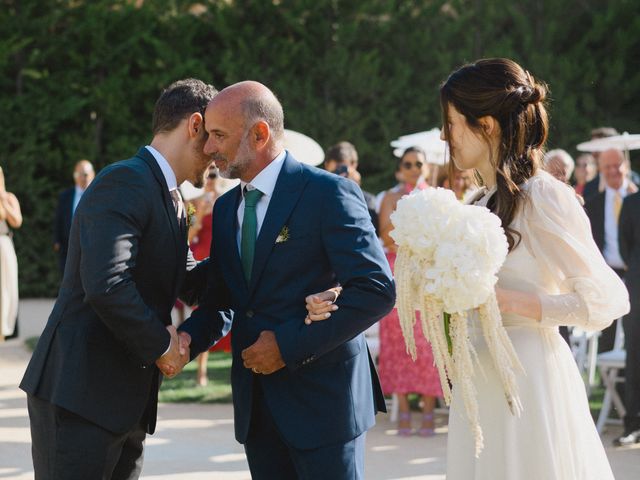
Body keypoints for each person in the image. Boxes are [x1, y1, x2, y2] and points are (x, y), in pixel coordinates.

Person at [177, 81, 395, 480]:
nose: (208, 147)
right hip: (258, 411)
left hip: (325, 407)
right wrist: (184, 342)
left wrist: (287, 345)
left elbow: (376, 290)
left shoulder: (330, 193)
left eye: (219, 135)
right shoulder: (226, 209)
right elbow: (224, 298)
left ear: (259, 134)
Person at [20, 78, 226, 480]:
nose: (219, 152)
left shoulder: (172, 198)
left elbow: (188, 281)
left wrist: (252, 250)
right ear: (195, 125)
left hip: (123, 402)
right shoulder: (124, 180)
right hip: (79, 396)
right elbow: (107, 283)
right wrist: (161, 346)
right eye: (216, 136)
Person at [435, 57, 630, 480]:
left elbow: (608, 299)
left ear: (484, 123)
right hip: (479, 383)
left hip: (528, 378)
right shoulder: (476, 204)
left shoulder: (543, 195)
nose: (444, 135)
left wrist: (511, 303)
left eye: (451, 123)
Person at [377, 148, 442, 436]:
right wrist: (409, 210)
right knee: (397, 340)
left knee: (428, 340)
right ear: (400, 169)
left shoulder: (438, 196)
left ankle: (428, 409)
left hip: (427, 273)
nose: (414, 168)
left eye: (419, 163)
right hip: (398, 271)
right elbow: (385, 235)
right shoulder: (391, 198)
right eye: (408, 164)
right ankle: (402, 407)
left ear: (427, 168)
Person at [584, 148, 637, 353]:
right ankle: (606, 379)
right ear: (600, 170)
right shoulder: (594, 203)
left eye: (617, 165)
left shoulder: (636, 196)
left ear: (625, 166)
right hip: (608, 272)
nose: (614, 171)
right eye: (608, 167)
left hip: (634, 271)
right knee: (608, 331)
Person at [187, 166, 230, 386]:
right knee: (202, 312)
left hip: (220, 257)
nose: (212, 179)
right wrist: (200, 214)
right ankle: (200, 372)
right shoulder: (194, 202)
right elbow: (187, 235)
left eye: (215, 174)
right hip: (200, 260)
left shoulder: (229, 201)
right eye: (209, 174)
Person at [617, 191, 640, 445]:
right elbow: (624, 247)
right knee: (634, 356)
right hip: (638, 291)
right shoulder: (632, 203)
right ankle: (632, 423)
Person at [324, 141, 379, 234]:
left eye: (343, 170)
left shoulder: (368, 201)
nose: (339, 175)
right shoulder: (316, 193)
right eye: (335, 170)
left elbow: (371, 233)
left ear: (354, 166)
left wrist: (353, 189)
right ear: (326, 165)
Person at [53, 159, 95, 274]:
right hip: (68, 249)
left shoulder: (99, 195)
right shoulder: (65, 196)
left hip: (93, 248)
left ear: (93, 175)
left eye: (85, 174)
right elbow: (58, 219)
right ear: (74, 176)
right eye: (79, 174)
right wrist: (57, 241)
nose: (82, 178)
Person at [0, 166, 22, 341]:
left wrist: (2, 198)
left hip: (4, 244)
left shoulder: (8, 197)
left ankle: (4, 329)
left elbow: (17, 221)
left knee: (8, 287)